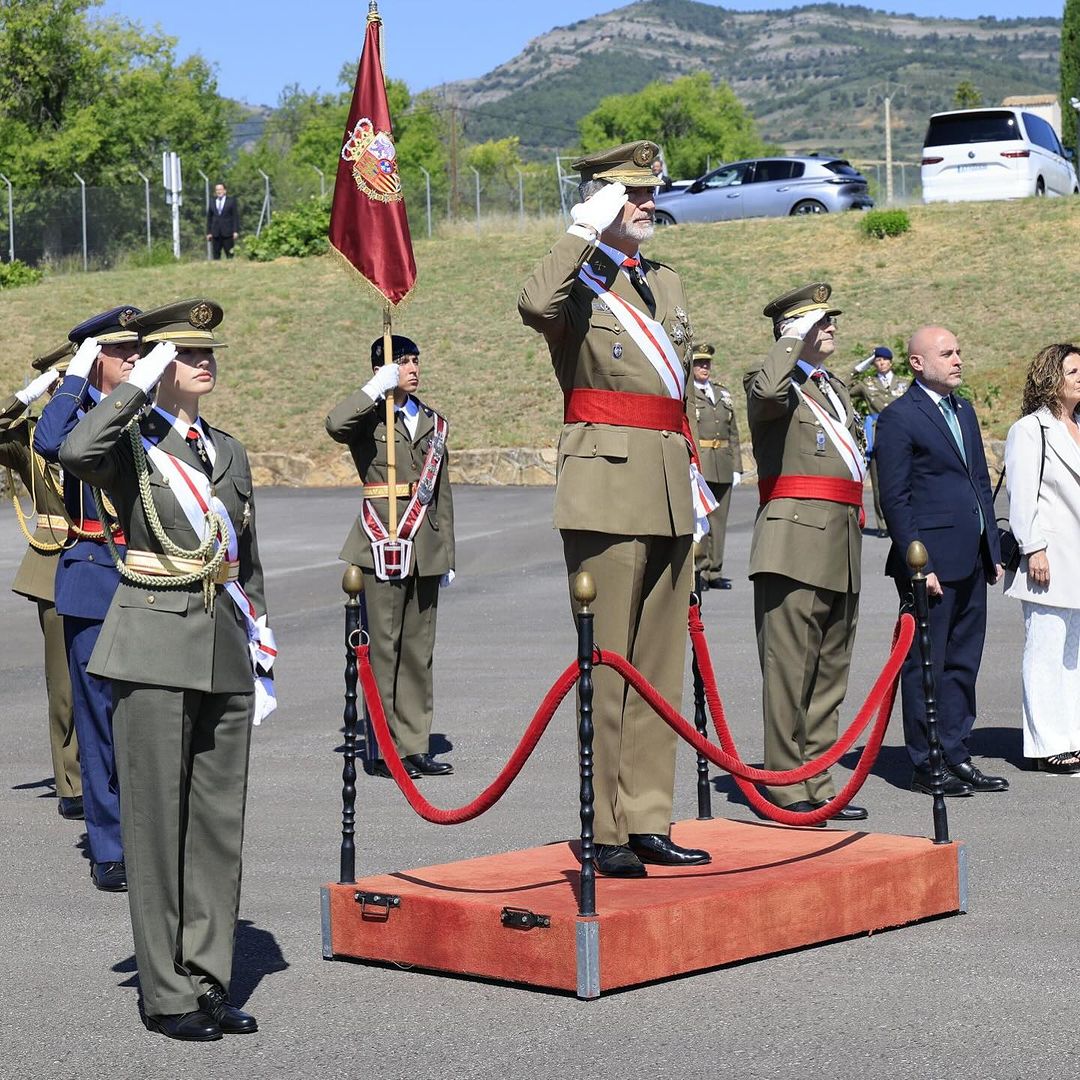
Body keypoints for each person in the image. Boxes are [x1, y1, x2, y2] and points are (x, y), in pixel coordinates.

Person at [60, 298, 274, 1042]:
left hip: (223, 645)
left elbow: (248, 562)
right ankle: (166, 992)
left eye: (207, 351)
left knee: (217, 823)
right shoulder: (131, 442)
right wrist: (133, 385)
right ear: (157, 366)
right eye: (185, 354)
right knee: (156, 828)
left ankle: (208, 978)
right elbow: (74, 449)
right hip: (152, 645)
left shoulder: (230, 450)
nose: (203, 361)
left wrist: (262, 647)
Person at [519, 140, 713, 878]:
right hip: (606, 487)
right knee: (608, 665)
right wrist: (580, 229)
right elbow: (535, 303)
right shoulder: (577, 286)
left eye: (649, 192)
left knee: (659, 666)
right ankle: (601, 828)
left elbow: (679, 396)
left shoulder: (664, 282)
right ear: (602, 198)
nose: (647, 204)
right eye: (631, 194)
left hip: (666, 481)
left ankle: (647, 818)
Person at [744, 282, 867, 820]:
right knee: (790, 670)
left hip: (841, 543)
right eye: (820, 322)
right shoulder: (772, 384)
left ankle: (818, 776)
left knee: (829, 670)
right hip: (792, 543)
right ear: (793, 333)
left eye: (830, 320)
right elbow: (769, 394)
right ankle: (785, 781)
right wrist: (789, 344)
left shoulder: (832, 387)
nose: (832, 328)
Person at [34, 307, 141, 891]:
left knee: (148, 721)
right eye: (121, 351)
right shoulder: (73, 413)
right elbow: (50, 441)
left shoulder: (148, 409)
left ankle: (153, 833)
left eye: (137, 350)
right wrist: (74, 377)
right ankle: (110, 844)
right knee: (99, 723)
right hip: (94, 575)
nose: (134, 359)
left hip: (151, 577)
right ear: (93, 357)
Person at [875, 325, 1007, 796]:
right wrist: (919, 565)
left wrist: (991, 547)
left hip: (970, 558)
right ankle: (925, 761)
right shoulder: (899, 418)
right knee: (927, 664)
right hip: (929, 564)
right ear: (917, 363)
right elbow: (895, 497)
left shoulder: (963, 410)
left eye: (959, 352)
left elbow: (978, 484)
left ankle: (956, 751)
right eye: (946, 353)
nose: (957, 359)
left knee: (963, 663)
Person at [325, 334, 455, 779]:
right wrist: (374, 388)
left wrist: (447, 554)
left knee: (419, 650)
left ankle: (415, 743)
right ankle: (382, 748)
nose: (414, 368)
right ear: (383, 367)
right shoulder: (369, 419)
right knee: (383, 647)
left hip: (425, 546)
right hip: (381, 543)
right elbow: (334, 423)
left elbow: (442, 495)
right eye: (403, 361)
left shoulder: (433, 422)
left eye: (417, 360)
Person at [0, 346, 82, 819]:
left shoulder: (115, 428)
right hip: (55, 562)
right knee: (65, 684)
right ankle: (71, 782)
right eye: (64, 381)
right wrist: (27, 394)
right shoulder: (30, 438)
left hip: (115, 559)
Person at [1003, 343, 1080, 773]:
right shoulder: (1031, 429)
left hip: (1079, 557)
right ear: (1051, 378)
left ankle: (1072, 734)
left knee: (1074, 654)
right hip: (1048, 556)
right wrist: (1033, 547)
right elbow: (1022, 496)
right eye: (1072, 371)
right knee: (1046, 650)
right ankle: (1047, 743)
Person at [692, 343, 742, 590]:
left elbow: (733, 432)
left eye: (707, 363)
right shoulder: (688, 394)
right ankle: (699, 570)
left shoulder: (722, 393)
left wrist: (736, 467)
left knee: (720, 521)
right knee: (702, 519)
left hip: (722, 461)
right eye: (699, 363)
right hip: (701, 463)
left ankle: (715, 570)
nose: (704, 367)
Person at [848, 345, 909, 537]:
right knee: (879, 483)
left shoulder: (904, 384)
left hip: (901, 434)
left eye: (884, 359)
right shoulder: (867, 384)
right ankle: (883, 525)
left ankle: (905, 520)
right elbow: (844, 387)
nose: (881, 363)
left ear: (891, 362)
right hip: (877, 435)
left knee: (906, 478)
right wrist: (860, 367)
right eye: (877, 360)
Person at [206, 182, 240, 259]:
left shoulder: (231, 201)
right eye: (217, 190)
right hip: (215, 233)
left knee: (230, 254)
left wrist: (235, 231)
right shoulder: (212, 201)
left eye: (220, 189)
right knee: (216, 255)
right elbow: (209, 218)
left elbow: (235, 217)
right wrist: (208, 232)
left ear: (225, 191)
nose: (219, 191)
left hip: (228, 233)